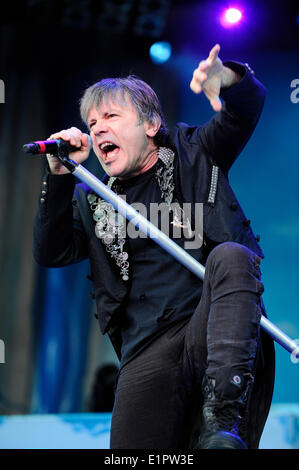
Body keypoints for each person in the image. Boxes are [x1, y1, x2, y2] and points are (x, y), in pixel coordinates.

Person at [33, 44, 275, 449]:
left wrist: (227, 79)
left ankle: (223, 422)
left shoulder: (196, 152)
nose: (97, 129)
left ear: (150, 124)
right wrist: (59, 175)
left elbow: (245, 107)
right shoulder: (94, 198)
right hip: (145, 349)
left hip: (214, 328)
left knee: (231, 257)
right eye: (92, 123)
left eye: (111, 116)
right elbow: (51, 252)